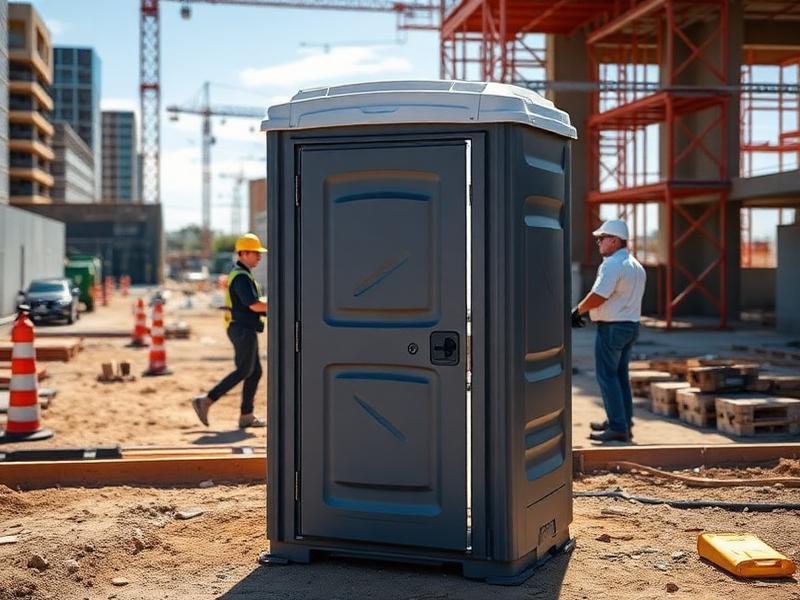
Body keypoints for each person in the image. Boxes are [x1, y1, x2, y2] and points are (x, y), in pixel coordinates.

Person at [572, 219, 646, 442]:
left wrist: (577, 311)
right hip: (630, 326)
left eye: (602, 239)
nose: (599, 243)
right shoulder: (636, 265)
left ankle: (617, 426)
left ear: (614, 241)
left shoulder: (612, 264)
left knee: (607, 377)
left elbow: (598, 296)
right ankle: (623, 421)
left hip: (613, 328)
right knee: (620, 376)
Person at [192, 233, 268, 429]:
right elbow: (254, 305)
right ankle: (206, 400)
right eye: (255, 253)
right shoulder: (241, 277)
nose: (259, 257)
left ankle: (246, 415)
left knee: (255, 372)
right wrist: (279, 305)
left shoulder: (242, 273)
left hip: (244, 327)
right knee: (245, 370)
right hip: (241, 329)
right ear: (243, 253)